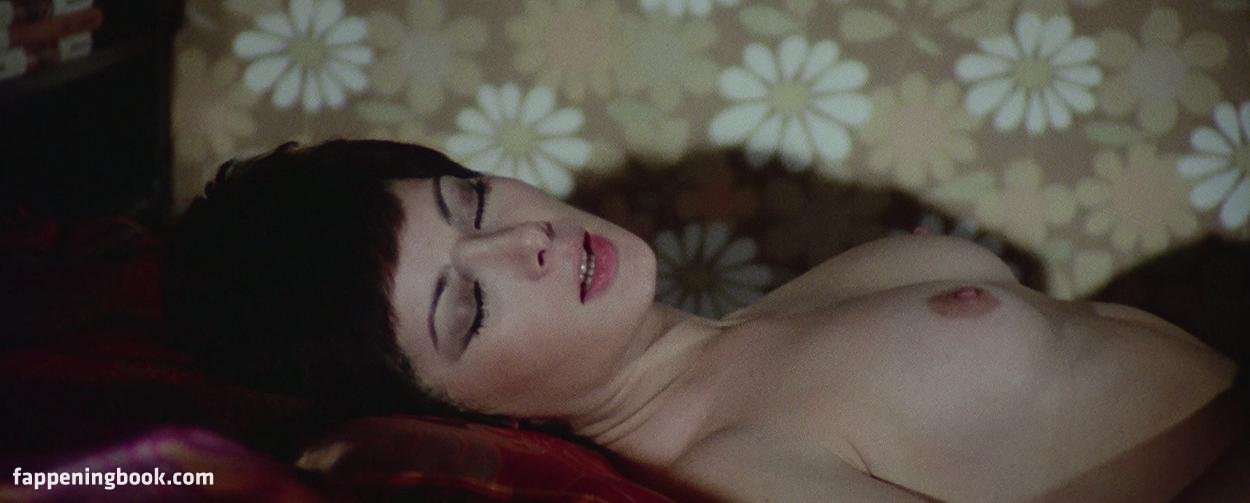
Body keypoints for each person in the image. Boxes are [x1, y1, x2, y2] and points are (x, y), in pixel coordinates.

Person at [162, 139, 1247, 502]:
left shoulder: (765, 323)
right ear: (454, 410)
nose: (524, 242)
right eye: (468, 303)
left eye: (473, 202)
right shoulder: (739, 464)